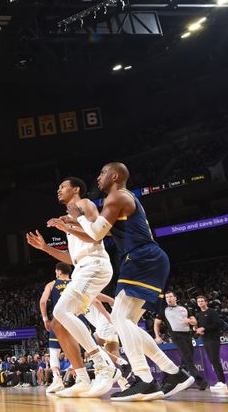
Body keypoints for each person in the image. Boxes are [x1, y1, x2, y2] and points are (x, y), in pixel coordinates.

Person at [65, 162, 193, 401]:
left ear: (115, 176)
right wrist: (72, 226)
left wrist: (78, 217)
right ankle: (174, 373)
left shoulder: (116, 197)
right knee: (127, 325)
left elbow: (96, 234)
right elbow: (101, 232)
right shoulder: (119, 200)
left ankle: (145, 379)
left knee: (119, 319)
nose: (99, 177)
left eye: (103, 173)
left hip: (142, 258)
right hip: (145, 259)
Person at [27, 176, 118, 398]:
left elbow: (98, 235)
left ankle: (103, 363)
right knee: (58, 324)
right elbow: (71, 257)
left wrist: (68, 225)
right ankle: (83, 379)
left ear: (76, 189)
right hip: (81, 267)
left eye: (63, 187)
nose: (58, 190)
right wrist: (46, 248)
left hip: (95, 265)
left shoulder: (84, 204)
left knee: (60, 311)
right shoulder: (69, 217)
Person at [154, 291, 207, 390]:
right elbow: (156, 323)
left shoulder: (184, 308)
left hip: (187, 335)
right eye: (166, 297)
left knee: (186, 358)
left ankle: (180, 380)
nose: (168, 299)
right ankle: (200, 381)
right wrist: (157, 336)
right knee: (188, 357)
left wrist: (190, 321)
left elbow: (194, 321)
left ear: (175, 298)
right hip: (176, 335)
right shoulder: (164, 310)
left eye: (170, 296)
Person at [37, 261, 76, 395]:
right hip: (75, 318)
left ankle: (57, 379)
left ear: (58, 271)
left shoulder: (52, 284)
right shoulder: (75, 283)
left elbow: (42, 302)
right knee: (77, 349)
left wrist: (45, 319)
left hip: (59, 319)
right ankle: (80, 378)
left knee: (54, 351)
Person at [190, 295, 227, 393]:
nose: (200, 303)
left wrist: (204, 328)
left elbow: (218, 324)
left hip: (213, 339)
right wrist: (196, 329)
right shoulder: (199, 315)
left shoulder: (212, 312)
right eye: (199, 301)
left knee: (215, 360)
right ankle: (220, 382)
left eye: (202, 301)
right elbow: (201, 327)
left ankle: (222, 382)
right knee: (212, 361)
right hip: (205, 340)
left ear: (206, 302)